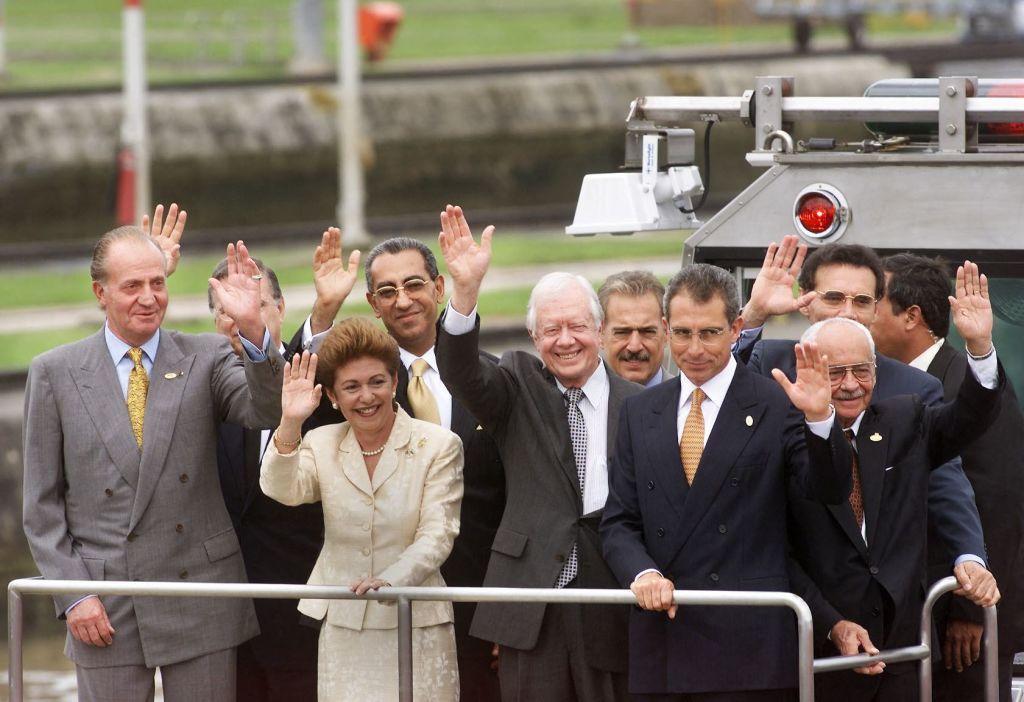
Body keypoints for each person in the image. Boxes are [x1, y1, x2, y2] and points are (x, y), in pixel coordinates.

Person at [22, 223, 282, 701]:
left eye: (157, 283)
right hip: (104, 605)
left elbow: (264, 409)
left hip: (199, 593)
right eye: (132, 286)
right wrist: (74, 595)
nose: (148, 298)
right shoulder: (54, 372)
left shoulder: (205, 355)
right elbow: (41, 508)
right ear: (100, 293)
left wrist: (253, 330)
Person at [600, 263, 853, 700]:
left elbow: (827, 491)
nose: (695, 349)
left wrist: (819, 419)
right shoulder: (641, 411)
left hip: (748, 653)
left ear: (736, 328)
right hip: (663, 645)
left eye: (710, 333)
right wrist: (642, 573)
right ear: (665, 328)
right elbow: (619, 521)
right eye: (682, 333)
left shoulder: (775, 402)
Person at [435, 205, 641, 702]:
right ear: (534, 338)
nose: (565, 341)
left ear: (600, 331)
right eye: (551, 330)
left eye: (576, 327)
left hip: (611, 593)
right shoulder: (515, 384)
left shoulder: (642, 405)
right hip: (531, 598)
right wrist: (465, 292)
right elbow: (461, 371)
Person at [788, 261, 1003, 701]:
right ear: (809, 374)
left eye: (861, 371)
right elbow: (821, 490)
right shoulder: (789, 435)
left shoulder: (905, 419)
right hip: (822, 654)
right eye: (834, 373)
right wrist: (833, 623)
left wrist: (979, 347)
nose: (850, 385)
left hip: (903, 651)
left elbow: (967, 420)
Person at [737, 239, 994, 608]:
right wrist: (755, 315)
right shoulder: (768, 365)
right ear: (805, 301)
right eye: (834, 298)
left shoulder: (913, 387)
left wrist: (969, 556)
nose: (848, 313)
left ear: (877, 309)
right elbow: (713, 396)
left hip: (891, 608)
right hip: (794, 602)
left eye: (861, 302)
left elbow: (945, 483)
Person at [259, 319, 464, 700]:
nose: (366, 397)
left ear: (394, 383)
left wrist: (392, 579)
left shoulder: (439, 445)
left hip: (415, 621)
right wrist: (290, 421)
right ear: (334, 397)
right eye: (351, 387)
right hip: (344, 624)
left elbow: (438, 534)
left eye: (377, 382)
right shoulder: (321, 442)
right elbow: (281, 489)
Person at [208, 229, 358, 702]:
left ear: (280, 309)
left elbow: (292, 366)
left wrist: (326, 312)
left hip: (303, 601)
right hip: (224, 611)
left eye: (254, 307)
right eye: (227, 313)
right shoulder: (201, 382)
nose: (241, 320)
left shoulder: (311, 375)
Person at [873, 253, 1024, 702]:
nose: (862, 314)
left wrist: (969, 611)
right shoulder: (886, 384)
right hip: (916, 617)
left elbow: (996, 499)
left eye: (874, 301)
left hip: (960, 618)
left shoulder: (963, 382)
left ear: (911, 317)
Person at [361, 234, 505, 700]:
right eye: (387, 291)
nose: (402, 300)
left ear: (439, 288)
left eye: (414, 284)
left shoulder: (493, 379)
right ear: (373, 304)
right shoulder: (358, 392)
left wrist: (509, 612)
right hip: (384, 603)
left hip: (480, 603)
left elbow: (515, 499)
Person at [598, 270, 671, 386]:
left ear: (666, 332)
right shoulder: (573, 402)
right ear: (600, 333)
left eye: (647, 331)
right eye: (622, 332)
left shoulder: (692, 402)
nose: (635, 347)